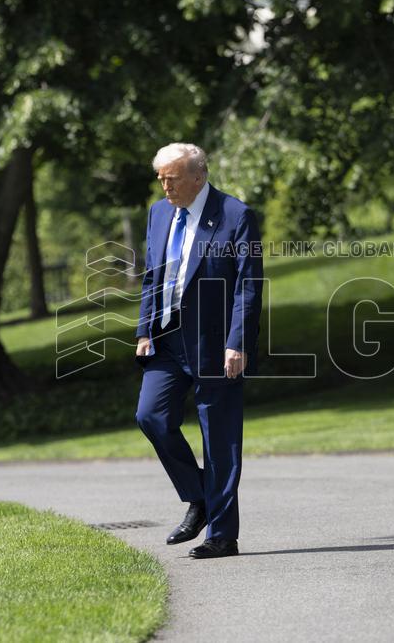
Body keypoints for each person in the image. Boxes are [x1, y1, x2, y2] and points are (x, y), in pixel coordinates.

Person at [134, 142, 263, 559]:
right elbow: (152, 276)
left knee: (219, 439)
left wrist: (237, 342)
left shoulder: (235, 215)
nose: (165, 186)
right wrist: (144, 329)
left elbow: (248, 285)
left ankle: (222, 537)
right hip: (166, 341)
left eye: (172, 179)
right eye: (161, 179)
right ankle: (200, 495)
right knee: (150, 416)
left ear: (198, 176)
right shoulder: (158, 214)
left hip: (215, 344)